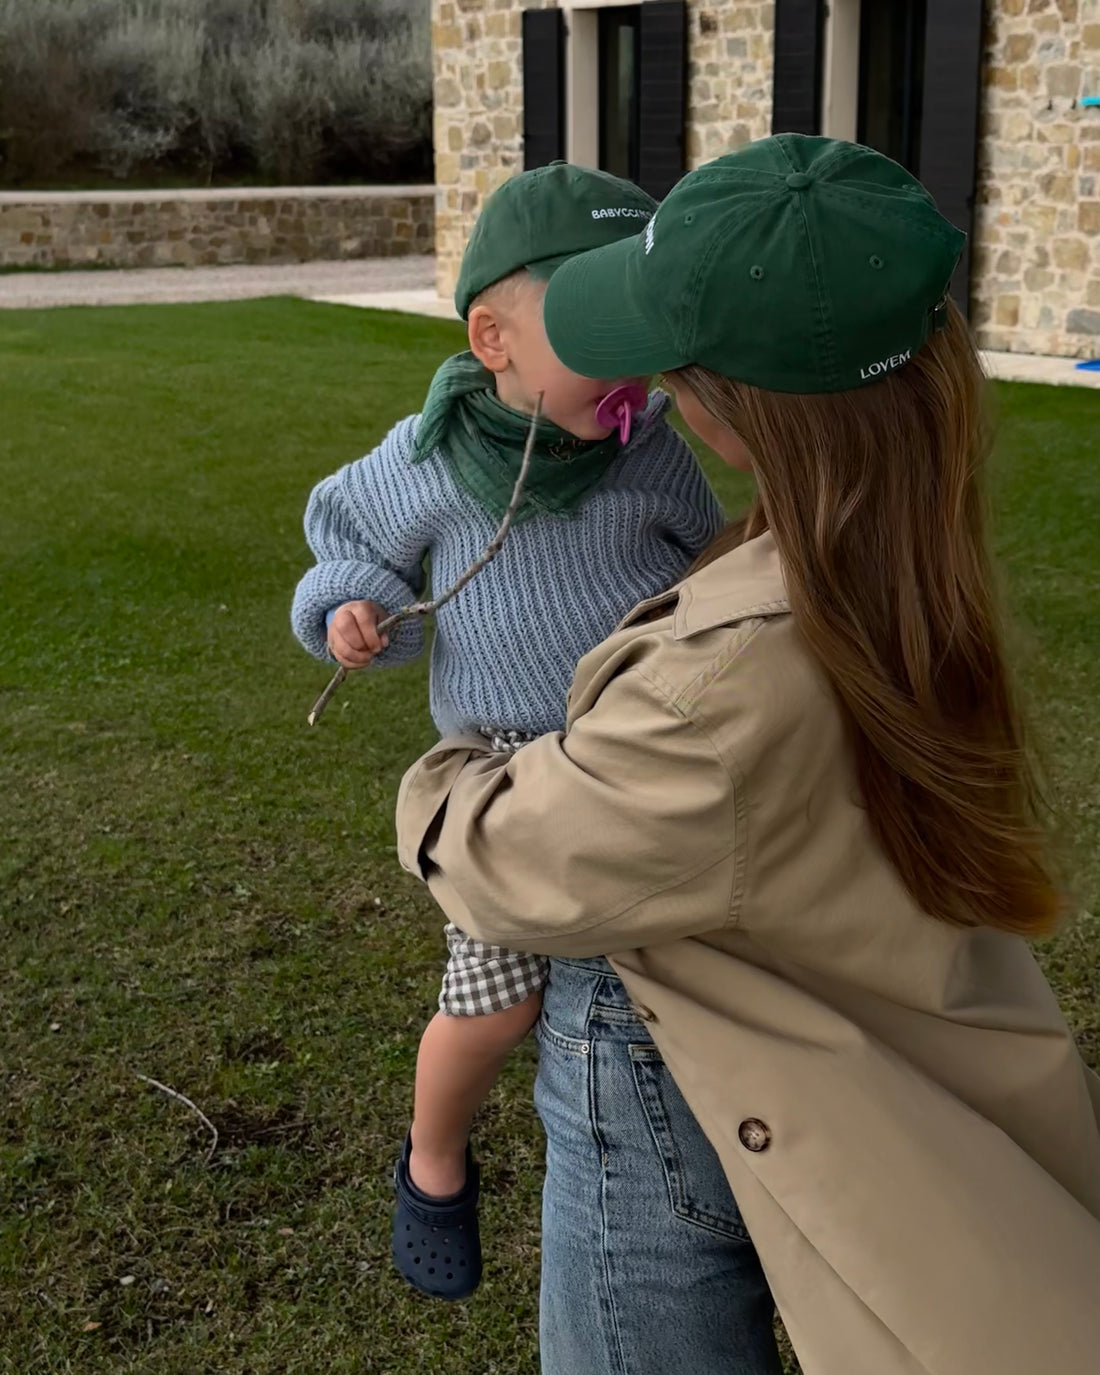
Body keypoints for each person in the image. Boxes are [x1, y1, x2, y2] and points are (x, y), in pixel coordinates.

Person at [395, 135, 1100, 1375]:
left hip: (680, 1079)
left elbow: (503, 860)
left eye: (674, 357)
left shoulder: (721, 689)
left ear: (727, 412)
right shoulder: (900, 567)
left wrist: (454, 765)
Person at [290, 162, 726, 1301]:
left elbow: (707, 562)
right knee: (497, 1003)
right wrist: (345, 613)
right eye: (595, 332)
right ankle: (433, 1160)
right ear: (492, 336)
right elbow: (347, 544)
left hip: (631, 765)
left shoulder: (648, 451)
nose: (631, 366)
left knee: (661, 978)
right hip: (502, 786)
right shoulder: (431, 460)